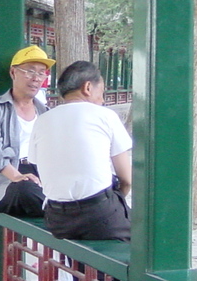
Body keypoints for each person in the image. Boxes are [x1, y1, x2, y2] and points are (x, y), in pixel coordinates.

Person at [31, 61, 133, 241]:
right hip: (98, 212)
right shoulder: (105, 116)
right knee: (139, 242)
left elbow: (38, 164)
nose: (102, 100)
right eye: (101, 92)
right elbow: (127, 180)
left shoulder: (42, 120)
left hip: (57, 218)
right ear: (87, 87)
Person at [0, 46, 54, 216]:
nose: (35, 78)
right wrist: (18, 176)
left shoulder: (45, 112)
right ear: (13, 72)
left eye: (41, 73)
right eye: (29, 71)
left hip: (39, 176)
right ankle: (64, 216)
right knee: (25, 189)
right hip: (8, 179)